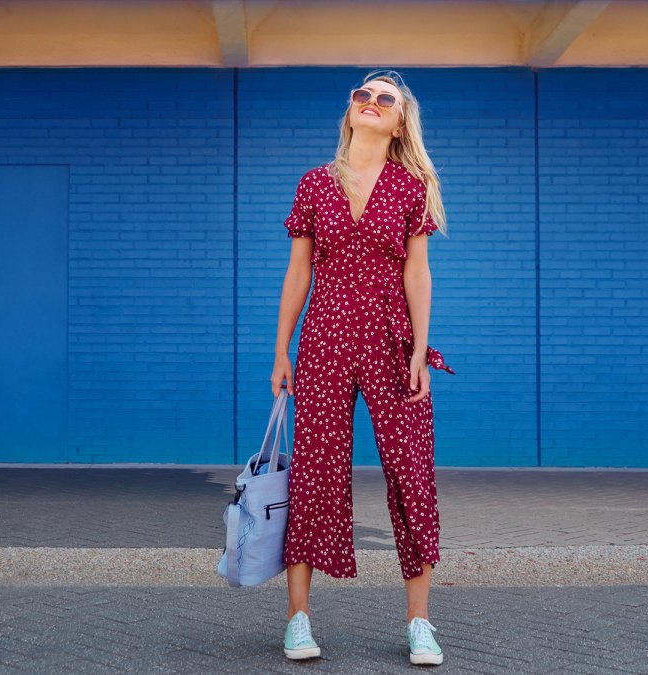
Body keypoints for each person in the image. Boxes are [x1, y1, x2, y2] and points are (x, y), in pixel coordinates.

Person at [270, 69, 453, 666]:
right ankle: (298, 619)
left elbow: (417, 274)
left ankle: (420, 623)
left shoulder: (410, 186)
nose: (371, 103)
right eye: (362, 95)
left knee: (410, 473)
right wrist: (282, 349)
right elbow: (299, 273)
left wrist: (422, 351)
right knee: (314, 473)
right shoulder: (313, 184)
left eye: (385, 99)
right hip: (323, 340)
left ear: (400, 121)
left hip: (390, 341)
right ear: (349, 112)